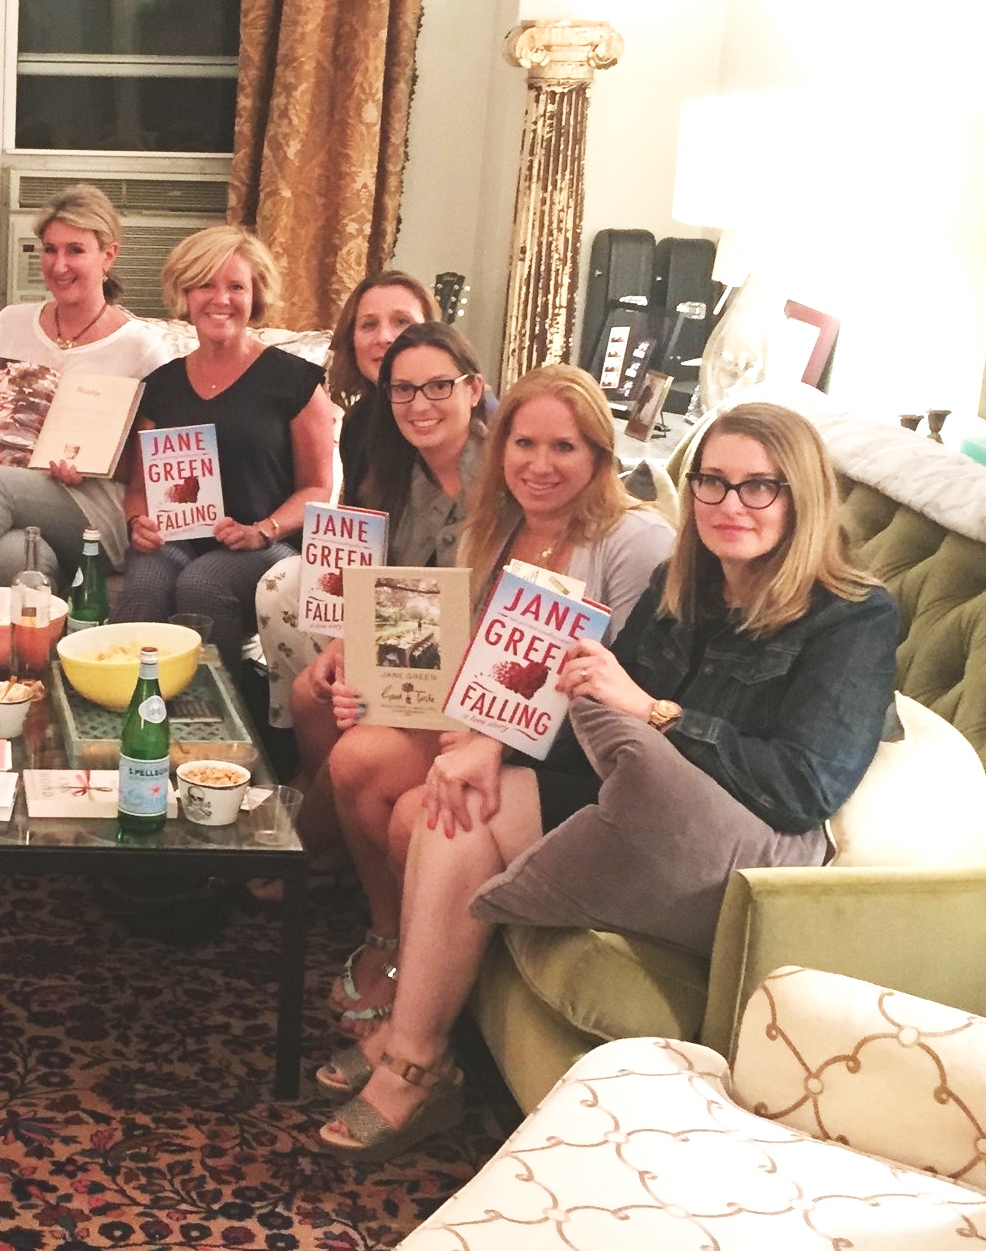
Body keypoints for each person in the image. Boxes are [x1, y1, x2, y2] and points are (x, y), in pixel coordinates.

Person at [314, 401, 899, 1160]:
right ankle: (418, 1056)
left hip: (740, 843)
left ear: (803, 495)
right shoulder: (683, 582)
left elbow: (801, 785)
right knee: (451, 803)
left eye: (760, 486)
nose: (729, 504)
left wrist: (656, 711)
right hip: (645, 799)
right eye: (712, 483)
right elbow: (594, 718)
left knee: (465, 799)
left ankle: (411, 1052)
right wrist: (497, 744)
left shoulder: (854, 616)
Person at [318, 364, 674, 1036]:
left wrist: (494, 741)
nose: (540, 465)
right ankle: (389, 939)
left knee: (413, 817)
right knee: (354, 759)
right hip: (480, 715)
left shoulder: (636, 540)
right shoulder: (496, 523)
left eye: (564, 447)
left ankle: (426, 999)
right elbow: (456, 647)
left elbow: (623, 681)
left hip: (565, 748)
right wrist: (375, 679)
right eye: (524, 444)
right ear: (500, 446)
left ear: (599, 454)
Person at [114, 225, 336, 682]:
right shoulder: (161, 385)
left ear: (255, 297)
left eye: (236, 286)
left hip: (266, 544)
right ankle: (130, 714)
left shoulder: (295, 381)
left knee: (204, 583)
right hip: (178, 538)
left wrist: (262, 530)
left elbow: (318, 487)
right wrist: (139, 524)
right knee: (144, 585)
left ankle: (223, 726)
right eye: (205, 285)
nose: (220, 299)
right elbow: (137, 490)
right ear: (185, 294)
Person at [0, 184, 170, 592]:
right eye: (49, 249)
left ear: (108, 255)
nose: (58, 265)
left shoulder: (142, 347)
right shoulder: (11, 323)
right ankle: (27, 653)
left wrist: (96, 466)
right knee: (14, 556)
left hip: (97, 507)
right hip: (12, 493)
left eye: (75, 250)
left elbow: (156, 463)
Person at [256, 272, 441, 729]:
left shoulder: (444, 416)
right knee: (279, 586)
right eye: (368, 325)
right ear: (351, 339)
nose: (385, 338)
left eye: (402, 322)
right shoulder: (360, 422)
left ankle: (354, 711)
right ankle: (294, 728)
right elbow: (357, 519)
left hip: (430, 589)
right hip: (378, 572)